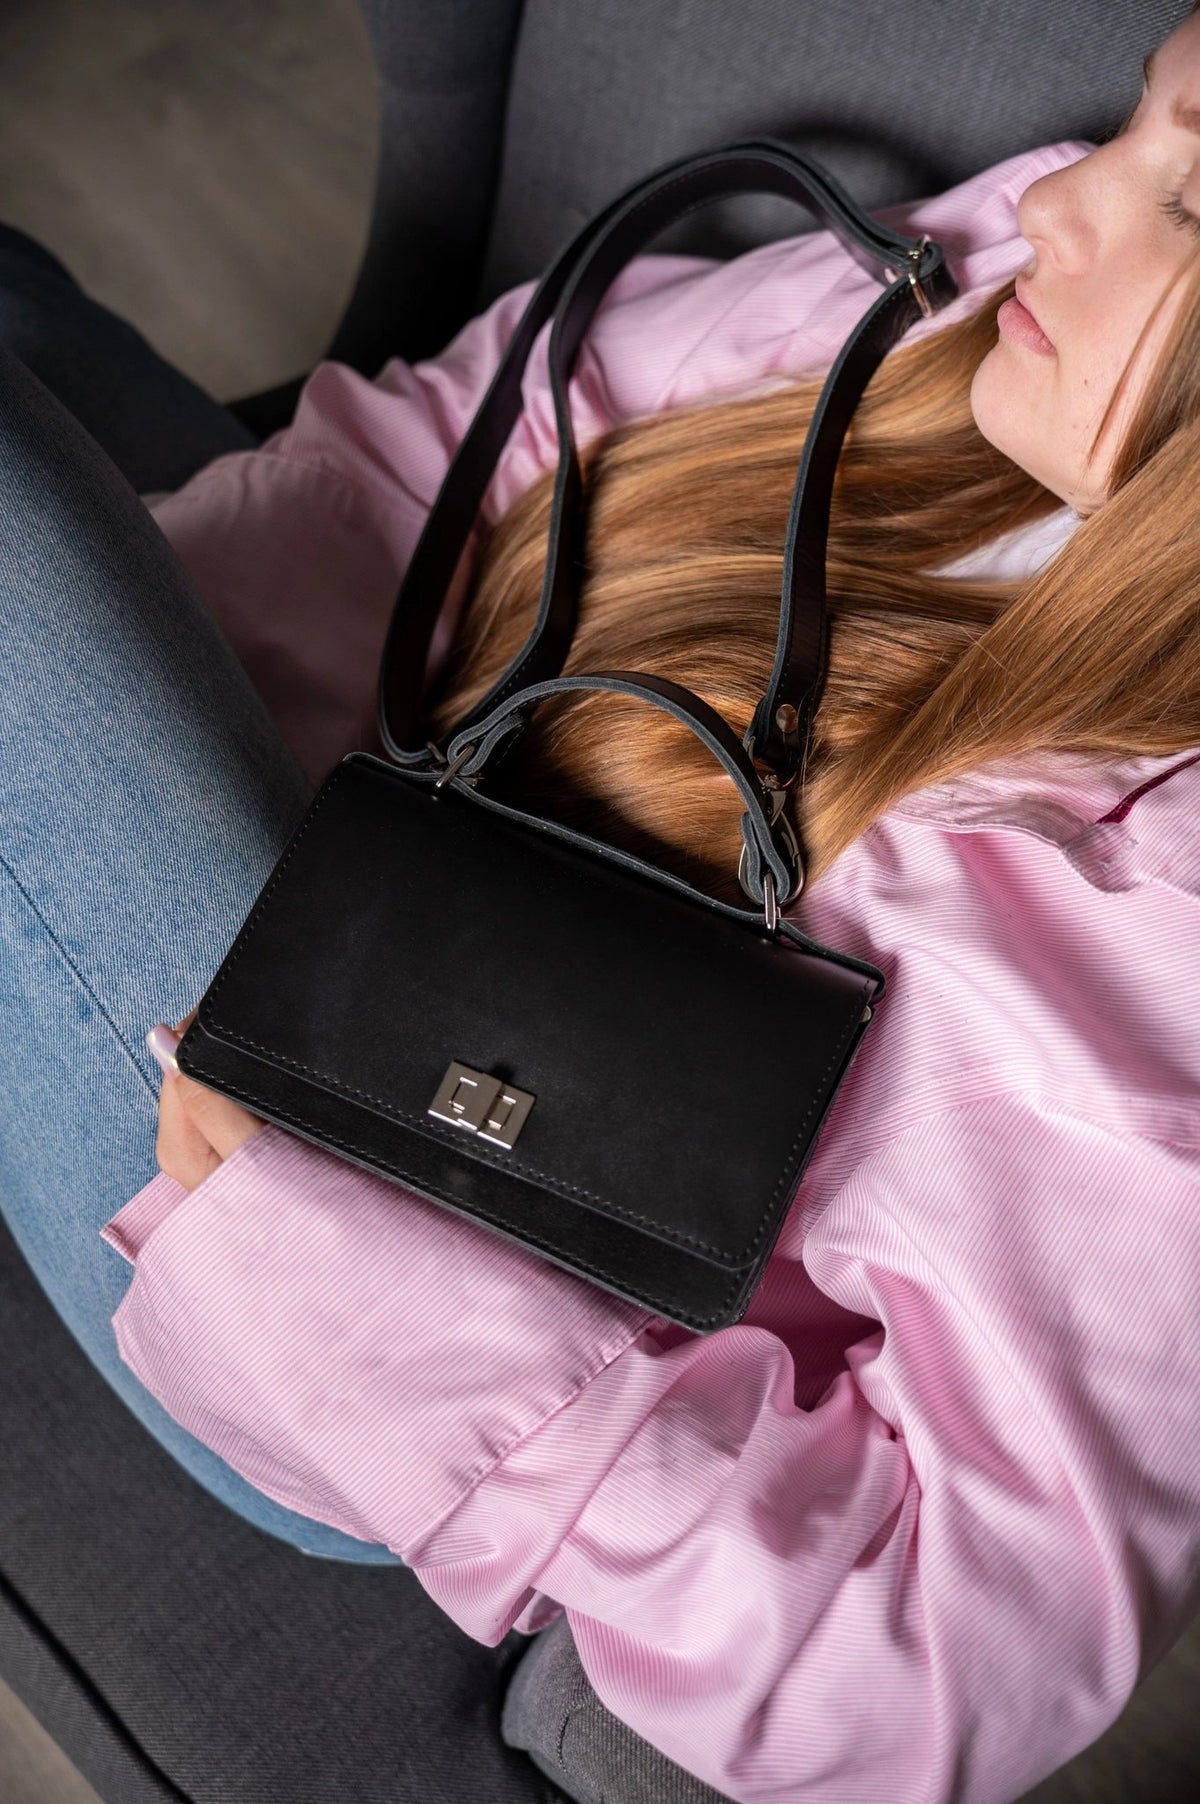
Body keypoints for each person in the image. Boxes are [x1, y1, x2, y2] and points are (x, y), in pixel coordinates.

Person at [2, 6, 1199, 1799]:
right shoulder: (978, 290)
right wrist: (103, 712)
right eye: (1147, 117)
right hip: (341, 816)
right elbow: (437, 463)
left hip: (341, 1226)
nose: (1063, 199)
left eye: (1192, 201)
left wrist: (331, 1284)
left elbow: (917, 1680)